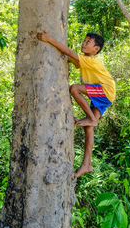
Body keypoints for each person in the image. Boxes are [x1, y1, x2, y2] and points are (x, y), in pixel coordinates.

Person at [36, 30, 116, 178]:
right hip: (103, 94)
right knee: (89, 127)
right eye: (84, 41)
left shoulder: (91, 60)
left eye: (88, 42)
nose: (84, 43)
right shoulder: (85, 60)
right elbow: (72, 59)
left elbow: (69, 52)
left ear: (95, 49)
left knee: (74, 88)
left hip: (105, 90)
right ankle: (87, 164)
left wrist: (49, 39)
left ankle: (90, 118)